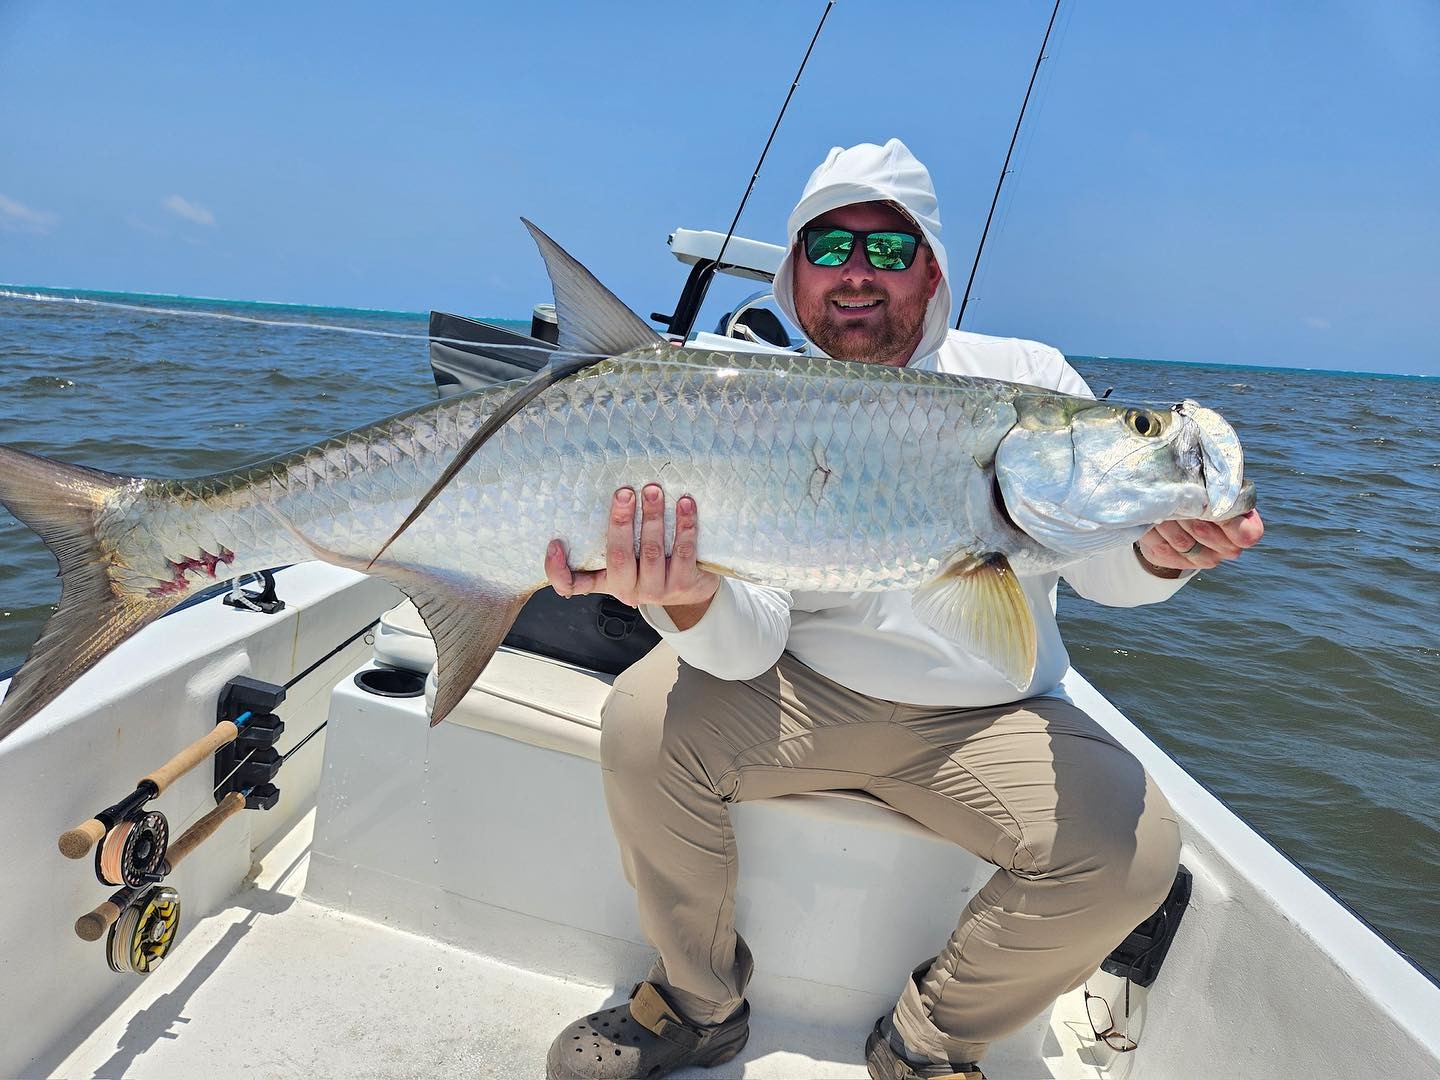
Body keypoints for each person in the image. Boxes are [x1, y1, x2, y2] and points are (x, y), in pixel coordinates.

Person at [541, 139, 1264, 1080]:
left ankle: (929, 1040)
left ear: (933, 271)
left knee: (1137, 853)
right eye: (828, 247)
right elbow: (744, 644)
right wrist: (689, 596)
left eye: (887, 251)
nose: (855, 274)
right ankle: (696, 1002)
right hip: (799, 694)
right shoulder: (743, 394)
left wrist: (1157, 551)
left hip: (988, 719)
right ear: (794, 271)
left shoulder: (1025, 376)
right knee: (642, 723)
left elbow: (1101, 571)